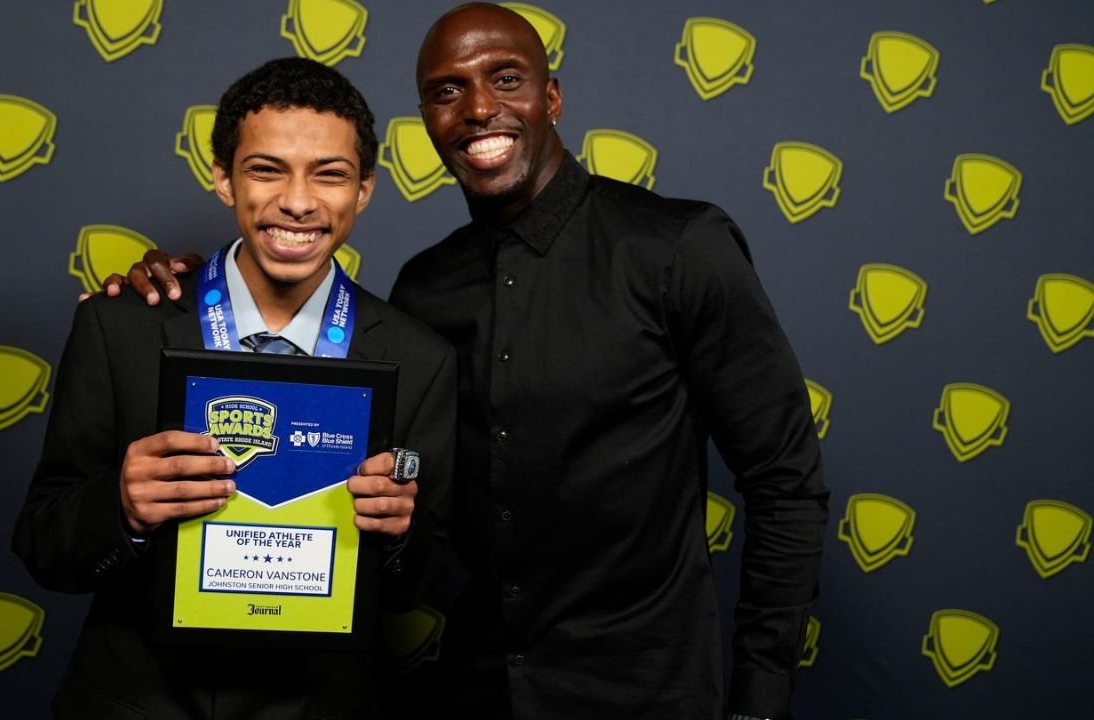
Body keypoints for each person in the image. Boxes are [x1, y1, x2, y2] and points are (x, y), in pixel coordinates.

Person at [114, 6, 829, 719]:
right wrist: (174, 284)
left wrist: (761, 697)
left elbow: (785, 483)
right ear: (425, 117)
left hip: (648, 690)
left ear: (551, 97)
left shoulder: (678, 248)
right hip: (479, 687)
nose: (479, 108)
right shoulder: (423, 289)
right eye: (448, 91)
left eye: (506, 78)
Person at [13, 57, 455, 719]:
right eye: (266, 168)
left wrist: (399, 533)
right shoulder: (120, 326)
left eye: (329, 174)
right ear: (222, 177)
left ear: (364, 189)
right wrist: (123, 506)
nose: (298, 201)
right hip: (137, 702)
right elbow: (44, 546)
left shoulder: (421, 359)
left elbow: (420, 583)